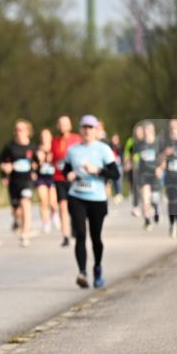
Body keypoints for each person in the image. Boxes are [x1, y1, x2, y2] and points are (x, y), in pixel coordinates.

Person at [62, 115, 120, 288]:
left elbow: (115, 174)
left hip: (97, 198)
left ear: (96, 130)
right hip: (77, 196)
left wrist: (98, 170)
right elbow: (65, 171)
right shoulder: (73, 150)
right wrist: (69, 175)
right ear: (80, 130)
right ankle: (82, 272)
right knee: (80, 234)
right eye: (84, 127)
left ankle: (97, 268)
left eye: (90, 127)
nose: (87, 130)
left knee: (96, 237)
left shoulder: (104, 149)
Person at [0, 120, 37, 247]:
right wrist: (5, 170)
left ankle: (25, 234)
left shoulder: (32, 147)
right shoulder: (9, 147)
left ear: (27, 131)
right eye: (16, 129)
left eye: (21, 129)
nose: (18, 132)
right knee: (17, 211)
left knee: (26, 203)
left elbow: (38, 162)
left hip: (27, 180)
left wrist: (35, 169)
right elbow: (1, 162)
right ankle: (16, 220)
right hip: (14, 181)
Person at [50, 116, 83, 246]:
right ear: (58, 126)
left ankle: (75, 226)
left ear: (70, 126)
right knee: (62, 206)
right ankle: (65, 236)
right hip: (59, 178)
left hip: (75, 178)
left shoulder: (77, 139)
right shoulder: (54, 141)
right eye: (60, 124)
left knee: (74, 206)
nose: (62, 126)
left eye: (65, 124)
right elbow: (53, 160)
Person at [133, 121, 161, 230]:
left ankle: (156, 208)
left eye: (149, 131)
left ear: (152, 131)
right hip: (143, 174)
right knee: (145, 199)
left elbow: (163, 157)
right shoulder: (139, 145)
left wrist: (160, 168)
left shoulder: (158, 143)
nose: (146, 133)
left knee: (154, 198)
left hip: (155, 174)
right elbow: (134, 158)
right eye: (145, 131)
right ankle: (147, 220)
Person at [35, 127, 59, 234]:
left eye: (46, 136)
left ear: (50, 137)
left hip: (53, 177)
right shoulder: (37, 149)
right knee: (43, 200)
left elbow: (59, 160)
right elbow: (34, 165)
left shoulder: (54, 147)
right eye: (43, 137)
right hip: (41, 177)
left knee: (53, 202)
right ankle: (46, 222)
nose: (44, 139)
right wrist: (39, 161)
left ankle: (54, 213)